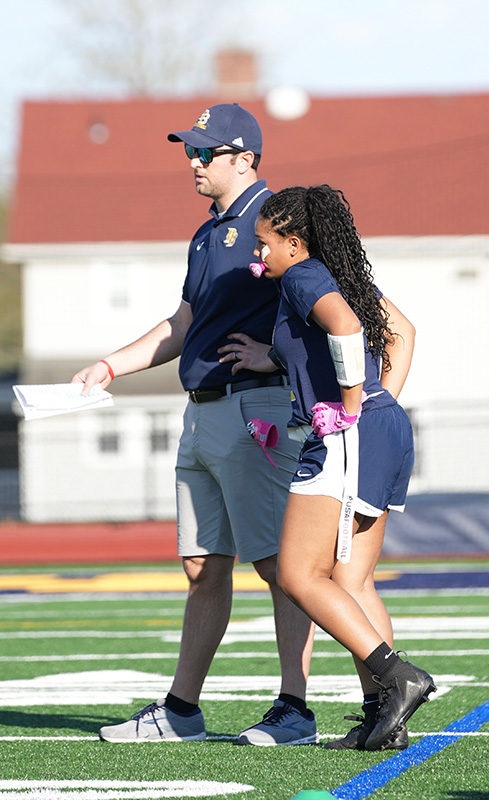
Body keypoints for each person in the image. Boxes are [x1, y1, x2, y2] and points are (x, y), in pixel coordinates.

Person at [71, 103, 316, 746]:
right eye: (191, 150)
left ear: (244, 158)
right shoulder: (209, 233)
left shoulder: (281, 221)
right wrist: (110, 366)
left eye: (205, 152)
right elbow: (183, 324)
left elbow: (333, 303)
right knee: (203, 565)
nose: (193, 162)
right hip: (203, 411)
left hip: (254, 409)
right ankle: (182, 709)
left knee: (281, 566)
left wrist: (279, 356)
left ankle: (295, 708)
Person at [220, 184, 436, 751]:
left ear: (295, 241)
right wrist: (275, 358)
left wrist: (350, 402)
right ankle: (382, 720)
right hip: (382, 430)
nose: (258, 253)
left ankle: (397, 677)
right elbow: (401, 333)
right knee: (351, 580)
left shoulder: (302, 274)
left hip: (349, 433)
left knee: (296, 574)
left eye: (265, 242)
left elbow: (343, 329)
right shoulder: (338, 273)